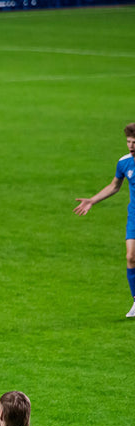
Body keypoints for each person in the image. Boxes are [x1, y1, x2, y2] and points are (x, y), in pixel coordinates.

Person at [72, 122, 135, 317]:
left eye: (134, 142)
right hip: (134, 215)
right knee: (130, 257)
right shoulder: (124, 162)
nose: (131, 145)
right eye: (128, 141)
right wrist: (92, 200)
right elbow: (115, 186)